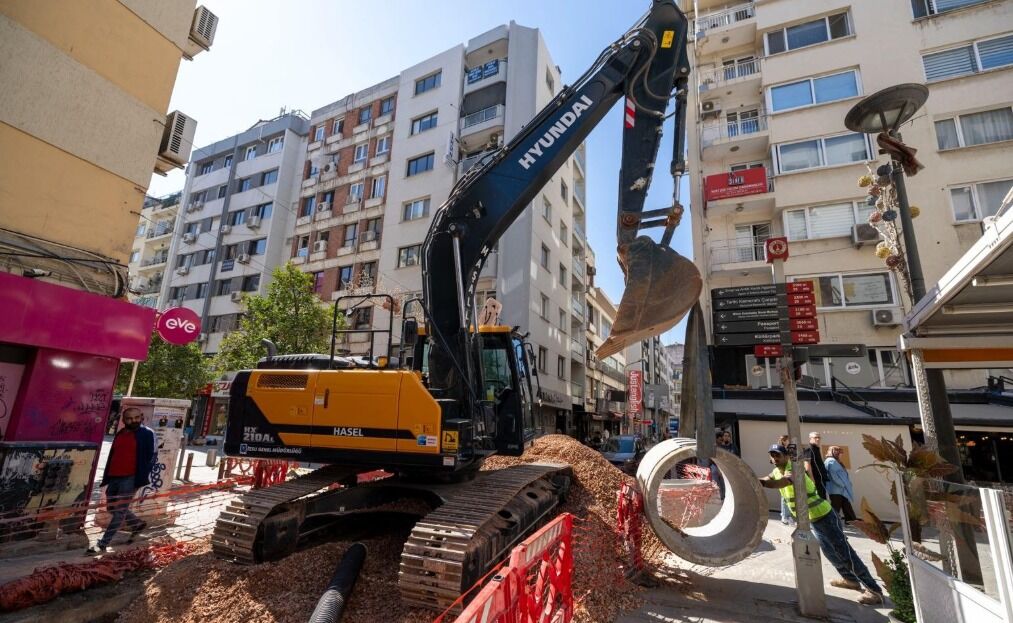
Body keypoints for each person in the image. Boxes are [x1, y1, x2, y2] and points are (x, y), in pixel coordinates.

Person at [760, 444, 884, 605]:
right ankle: (851, 580)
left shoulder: (794, 470)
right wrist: (753, 480)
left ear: (786, 456)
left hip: (824, 516)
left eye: (778, 455)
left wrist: (762, 483)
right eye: (772, 455)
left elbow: (781, 483)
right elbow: (767, 478)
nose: (775, 458)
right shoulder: (776, 471)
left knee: (844, 552)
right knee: (829, 552)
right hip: (812, 518)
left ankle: (874, 590)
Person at [87, 407, 156, 554]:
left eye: (136, 417)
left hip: (130, 478)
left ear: (142, 417)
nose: (133, 421)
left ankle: (102, 543)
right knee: (112, 508)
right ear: (123, 420)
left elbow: (151, 457)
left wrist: (140, 478)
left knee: (119, 511)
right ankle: (136, 523)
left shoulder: (147, 434)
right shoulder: (120, 433)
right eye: (129, 418)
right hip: (114, 476)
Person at [825, 446, 858, 522]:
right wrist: (843, 484)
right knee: (836, 506)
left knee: (846, 504)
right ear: (835, 453)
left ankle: (851, 521)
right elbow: (834, 476)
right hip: (836, 489)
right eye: (840, 453)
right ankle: (832, 522)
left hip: (840, 489)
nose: (841, 455)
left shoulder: (834, 461)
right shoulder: (831, 461)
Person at [803, 432, 829, 500]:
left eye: (819, 437)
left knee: (823, 500)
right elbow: (807, 466)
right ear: (810, 438)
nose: (817, 439)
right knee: (819, 501)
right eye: (815, 437)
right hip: (816, 481)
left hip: (821, 481)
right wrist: (812, 480)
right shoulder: (809, 449)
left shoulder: (816, 448)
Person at [777, 434, 794, 525]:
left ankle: (787, 515)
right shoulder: (780, 449)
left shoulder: (790, 449)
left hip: (790, 472)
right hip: (783, 473)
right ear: (783, 441)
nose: (789, 441)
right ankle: (785, 516)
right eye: (787, 440)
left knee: (789, 495)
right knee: (784, 495)